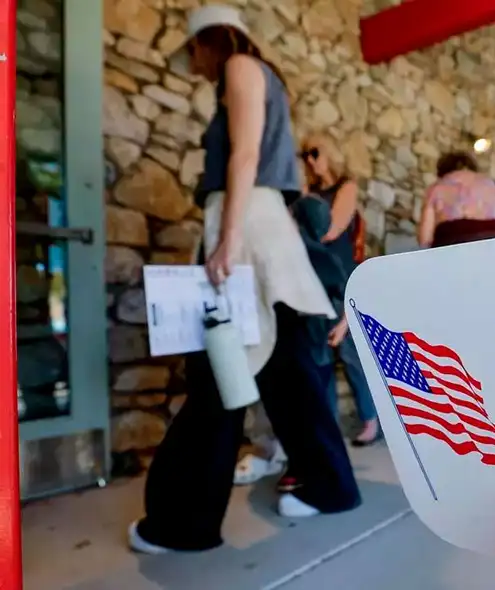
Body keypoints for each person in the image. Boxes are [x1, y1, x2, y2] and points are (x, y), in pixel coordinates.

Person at [130, 5, 360, 554]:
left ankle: (183, 524)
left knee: (221, 375)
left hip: (248, 232)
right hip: (261, 233)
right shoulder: (259, 75)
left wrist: (226, 239)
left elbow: (246, 156)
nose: (196, 64)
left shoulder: (239, 66)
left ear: (210, 42)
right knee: (284, 374)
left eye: (194, 53)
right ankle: (330, 487)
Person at [298, 135, 379, 448]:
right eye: (304, 154)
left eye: (314, 152)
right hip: (313, 276)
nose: (309, 160)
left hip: (342, 274)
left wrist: (307, 207)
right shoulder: (309, 193)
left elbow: (330, 229)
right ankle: (327, 426)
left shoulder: (346, 186)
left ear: (330, 152)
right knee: (320, 357)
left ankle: (370, 421)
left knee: (351, 354)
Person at [418, 151, 495, 247]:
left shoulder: (436, 188)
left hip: (452, 241)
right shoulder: (491, 184)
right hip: (493, 238)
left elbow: (425, 238)